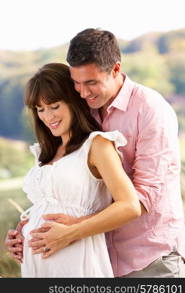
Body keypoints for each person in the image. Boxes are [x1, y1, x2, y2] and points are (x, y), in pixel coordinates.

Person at [6, 28, 185, 278]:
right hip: (97, 261)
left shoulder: (150, 110)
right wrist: (29, 230)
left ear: (115, 70)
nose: (83, 92)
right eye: (76, 83)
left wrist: (71, 230)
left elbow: (144, 198)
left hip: (148, 260)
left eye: (91, 82)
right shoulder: (82, 109)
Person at [8, 62, 140, 277]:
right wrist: (22, 232)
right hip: (37, 267)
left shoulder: (97, 145)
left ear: (73, 100)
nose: (48, 117)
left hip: (76, 261)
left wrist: (69, 233)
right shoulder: (44, 154)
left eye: (54, 106)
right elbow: (46, 208)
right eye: (40, 109)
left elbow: (129, 206)